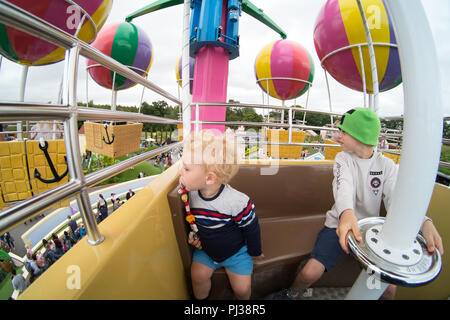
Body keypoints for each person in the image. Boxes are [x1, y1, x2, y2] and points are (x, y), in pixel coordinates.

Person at [271, 108, 444, 300]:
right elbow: (343, 187)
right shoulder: (343, 159)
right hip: (340, 224)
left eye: (343, 132)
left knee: (389, 290)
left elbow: (396, 198)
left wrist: (423, 222)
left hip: (370, 231)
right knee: (309, 273)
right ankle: (291, 293)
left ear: (359, 135)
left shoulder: (386, 166)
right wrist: (346, 214)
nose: (338, 136)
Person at [179, 130, 264, 300]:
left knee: (242, 289)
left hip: (236, 253)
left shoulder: (237, 202)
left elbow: (251, 227)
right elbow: (194, 221)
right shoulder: (191, 193)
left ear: (209, 178)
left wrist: (255, 250)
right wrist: (193, 236)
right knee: (197, 276)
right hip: (207, 251)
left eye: (186, 168)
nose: (180, 171)